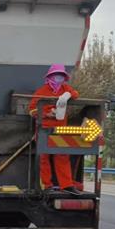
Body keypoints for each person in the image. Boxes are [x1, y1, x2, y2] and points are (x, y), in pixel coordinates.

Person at [29, 64, 81, 195]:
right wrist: (47, 114)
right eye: (56, 75)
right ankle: (46, 185)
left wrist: (67, 95)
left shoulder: (65, 88)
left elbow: (76, 94)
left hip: (60, 130)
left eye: (61, 76)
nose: (59, 78)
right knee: (44, 158)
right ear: (50, 76)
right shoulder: (41, 91)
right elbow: (32, 110)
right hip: (44, 129)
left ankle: (67, 185)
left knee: (62, 156)